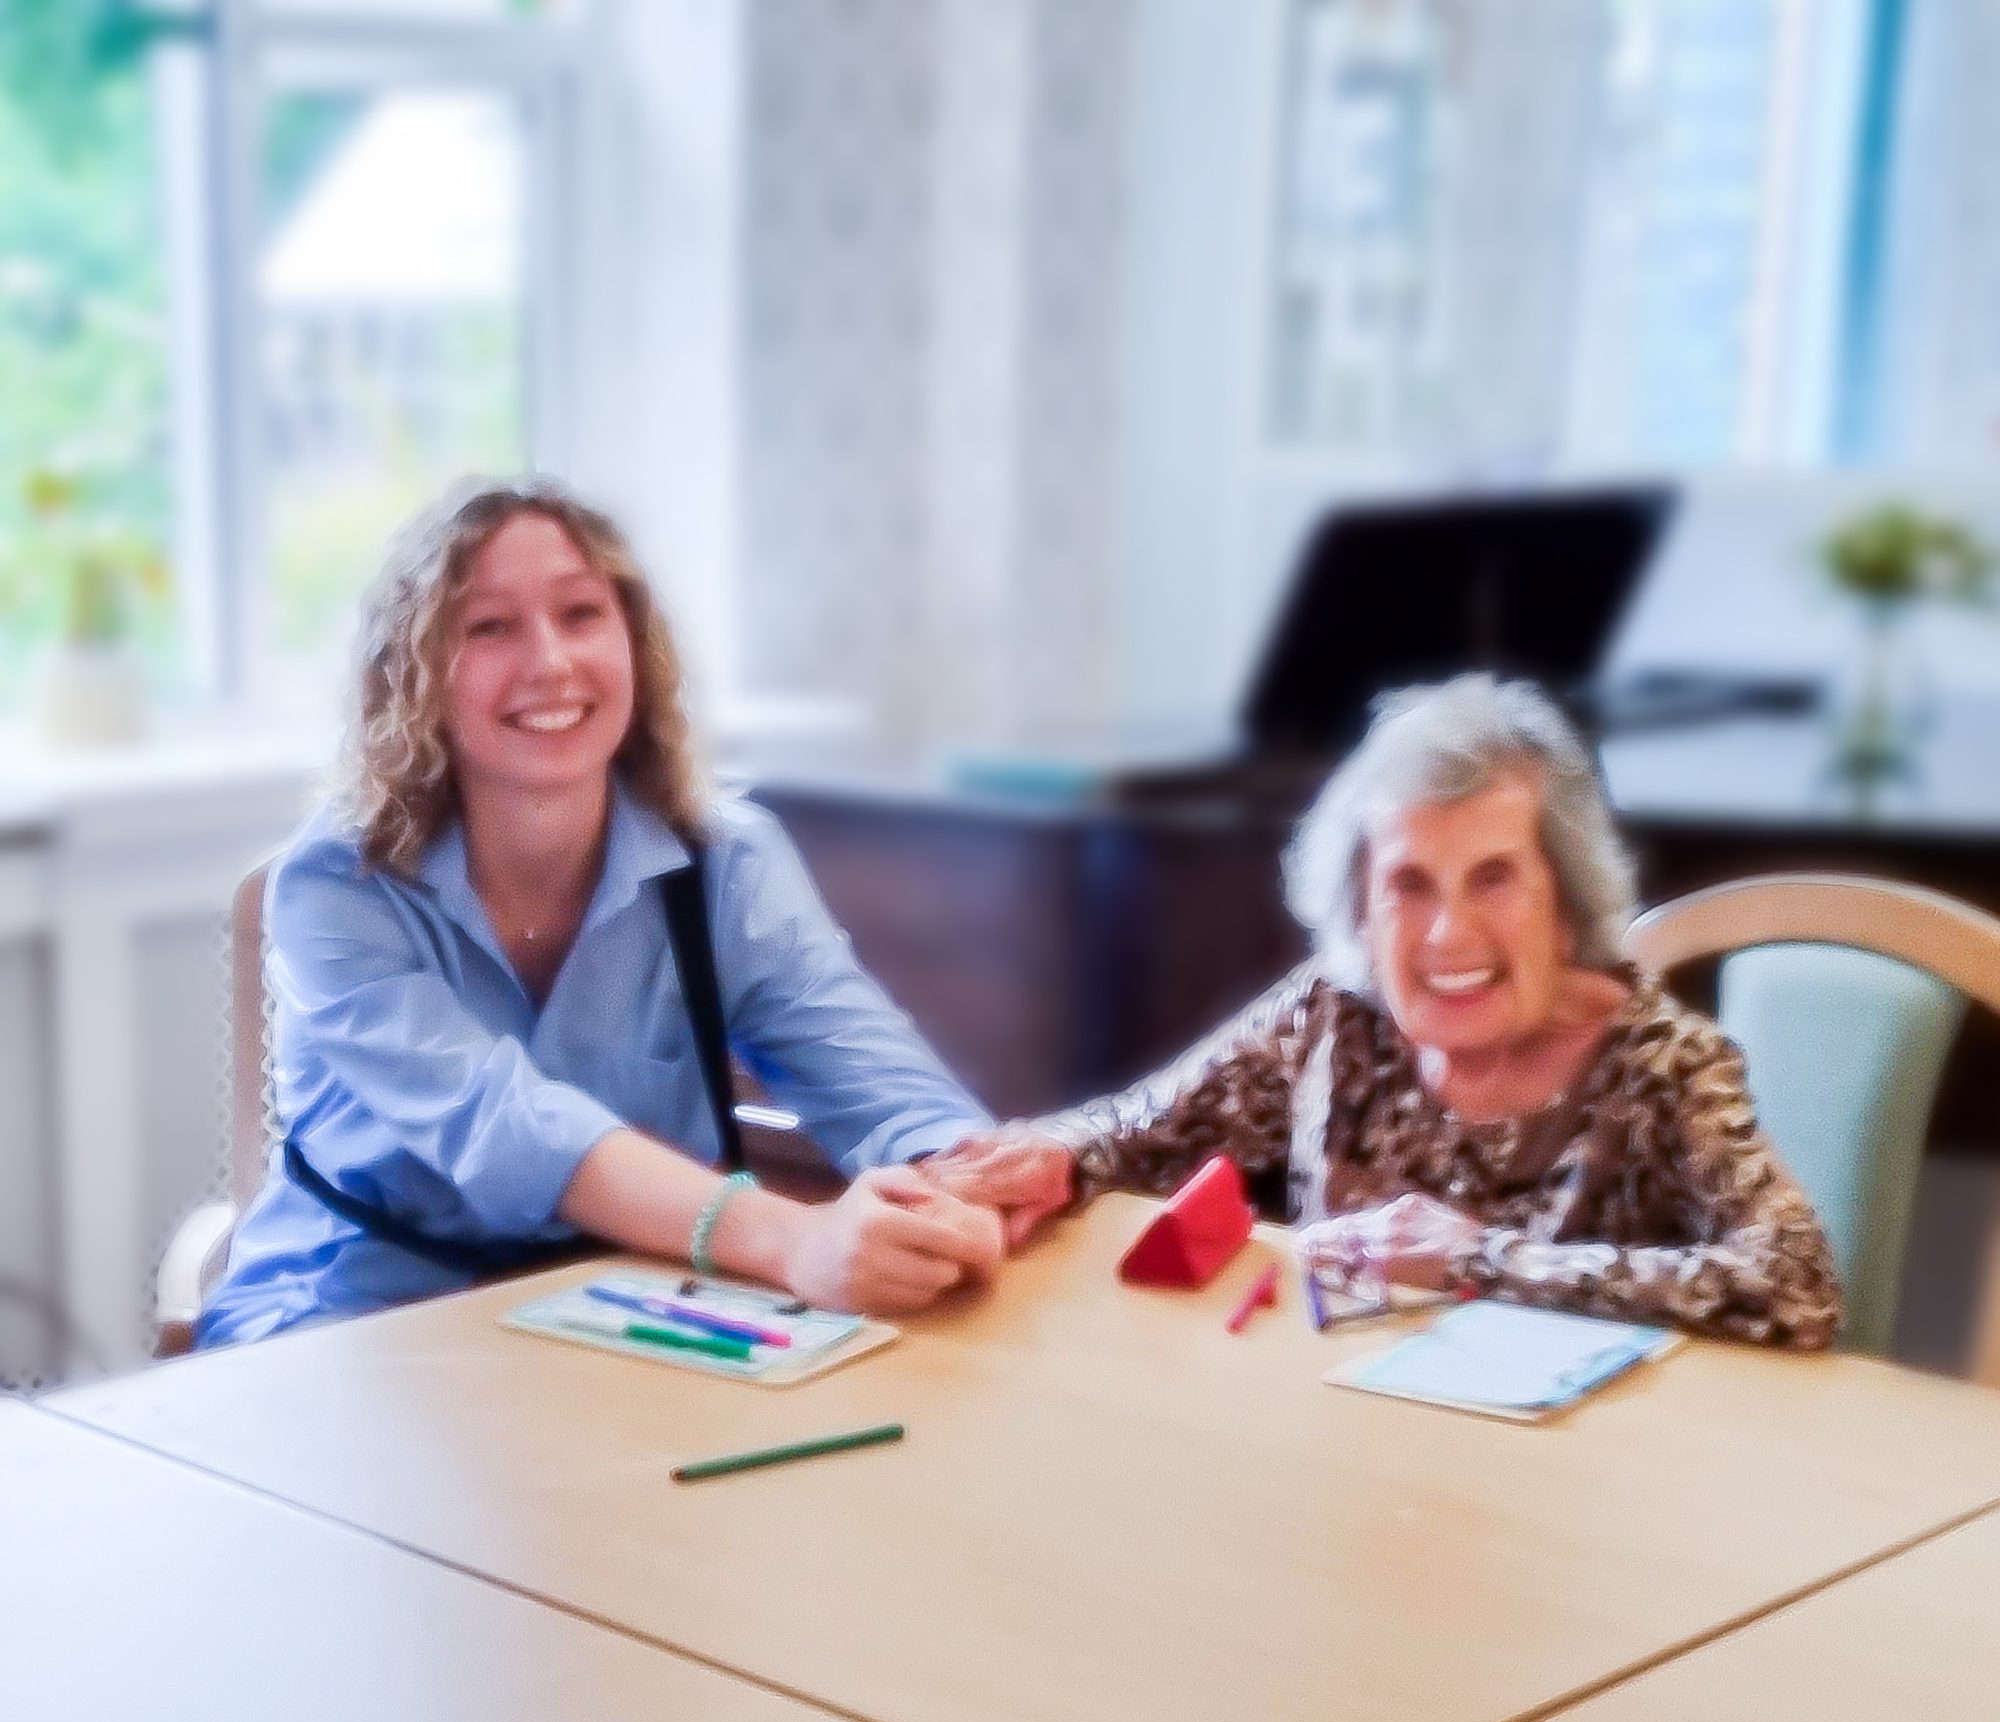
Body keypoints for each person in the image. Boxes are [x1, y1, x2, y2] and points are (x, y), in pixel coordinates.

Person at [197, 478, 1002, 1348]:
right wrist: (796, 1239)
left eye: (581, 613)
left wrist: (960, 1185)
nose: (550, 662)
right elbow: (505, 1129)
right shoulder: (336, 882)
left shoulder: (728, 859)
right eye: (488, 626)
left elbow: (877, 1080)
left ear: (634, 643)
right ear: (414, 677)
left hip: (636, 1306)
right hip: (358, 1315)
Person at [923, 675, 1843, 1349]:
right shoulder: (1334, 1017)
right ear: (1360, 906)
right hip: (1350, 1457)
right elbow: (1136, 1131)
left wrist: (1478, 1260)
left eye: (1494, 880)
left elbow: (1797, 1283)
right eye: (1408, 884)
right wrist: (1057, 1157)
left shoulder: (1660, 1066)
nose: (1449, 934)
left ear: (1564, 901)